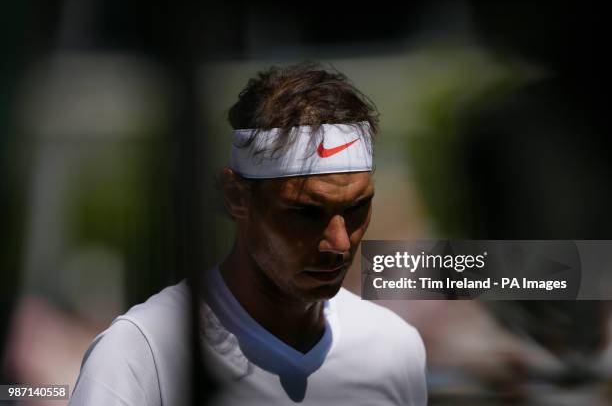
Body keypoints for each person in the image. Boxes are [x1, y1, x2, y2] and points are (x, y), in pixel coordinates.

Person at [70, 63, 427, 405]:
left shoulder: (395, 349)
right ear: (236, 197)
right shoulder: (141, 352)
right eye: (305, 213)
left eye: (355, 209)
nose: (339, 243)